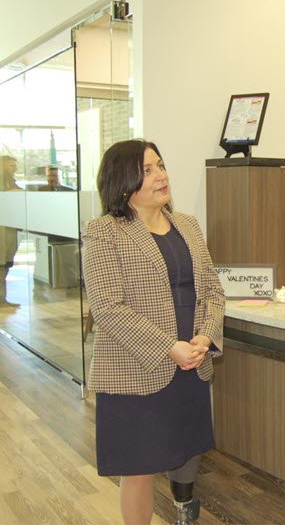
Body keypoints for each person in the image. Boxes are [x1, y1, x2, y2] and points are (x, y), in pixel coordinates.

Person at [81, 139, 225, 525]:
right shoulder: (104, 232)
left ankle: (184, 513)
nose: (161, 175)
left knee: (185, 451)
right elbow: (108, 308)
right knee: (138, 469)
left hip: (191, 362)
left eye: (160, 165)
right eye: (147, 170)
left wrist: (205, 337)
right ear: (122, 182)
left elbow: (213, 290)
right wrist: (168, 347)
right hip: (135, 370)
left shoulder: (188, 225)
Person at [1, 155, 23, 307]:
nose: (15, 169)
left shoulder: (12, 182)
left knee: (7, 263)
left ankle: (2, 298)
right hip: (2, 231)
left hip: (10, 230)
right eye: (11, 165)